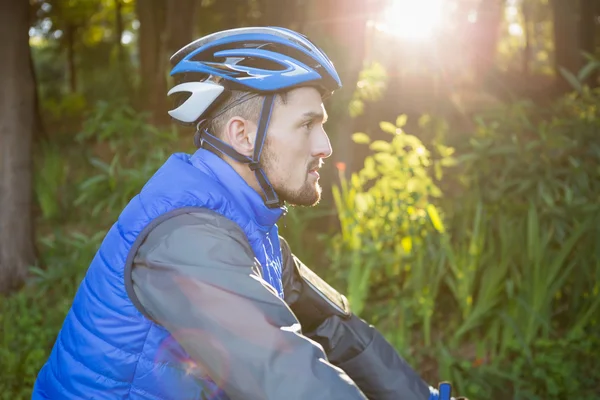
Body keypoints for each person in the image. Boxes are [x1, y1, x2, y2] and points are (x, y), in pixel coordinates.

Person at [32, 27, 462, 400]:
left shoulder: (250, 228)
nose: (324, 146)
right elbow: (285, 374)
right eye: (306, 124)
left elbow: (336, 328)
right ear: (242, 135)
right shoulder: (187, 240)